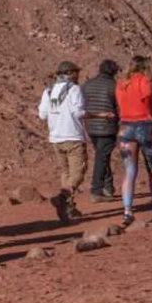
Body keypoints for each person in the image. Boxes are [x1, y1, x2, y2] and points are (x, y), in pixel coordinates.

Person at [116, 56, 152, 224]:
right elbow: (148, 96)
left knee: (130, 171)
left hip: (126, 127)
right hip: (145, 126)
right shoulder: (144, 80)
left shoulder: (122, 83)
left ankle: (127, 211)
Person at [38, 60, 86, 221]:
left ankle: (68, 209)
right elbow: (78, 112)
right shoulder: (74, 89)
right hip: (72, 135)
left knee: (66, 172)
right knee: (78, 172)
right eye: (76, 72)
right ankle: (62, 197)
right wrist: (94, 115)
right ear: (70, 73)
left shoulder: (49, 91)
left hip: (56, 137)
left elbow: (42, 115)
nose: (78, 75)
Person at [80, 59, 120, 201]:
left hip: (91, 126)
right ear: (114, 71)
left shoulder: (87, 85)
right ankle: (96, 190)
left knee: (102, 155)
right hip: (107, 127)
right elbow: (119, 108)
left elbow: (82, 104)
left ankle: (108, 187)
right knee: (102, 157)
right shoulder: (115, 86)